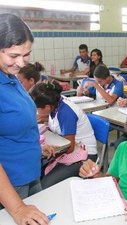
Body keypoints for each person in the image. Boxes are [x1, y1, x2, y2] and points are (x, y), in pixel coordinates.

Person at [0, 13, 48, 224]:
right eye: (13, 56)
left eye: (26, 54)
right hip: (10, 187)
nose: (20, 63)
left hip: (30, 174)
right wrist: (18, 208)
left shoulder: (9, 76)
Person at [30, 81, 97, 188]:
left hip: (84, 155)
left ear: (47, 107)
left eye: (36, 109)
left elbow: (69, 148)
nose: (35, 111)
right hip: (68, 148)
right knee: (37, 171)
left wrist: (48, 150)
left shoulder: (66, 112)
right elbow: (55, 122)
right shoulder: (55, 103)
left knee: (46, 184)